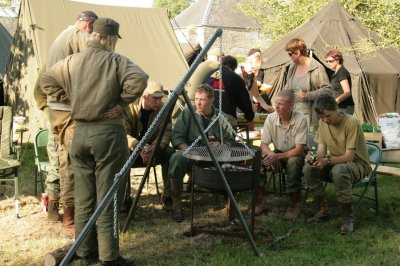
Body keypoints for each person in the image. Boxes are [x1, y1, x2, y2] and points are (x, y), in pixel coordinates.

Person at [41, 17, 148, 265]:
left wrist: (70, 100)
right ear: (110, 39)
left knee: (84, 196)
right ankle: (109, 257)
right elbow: (140, 79)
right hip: (107, 133)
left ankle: (83, 250)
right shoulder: (116, 61)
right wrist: (121, 104)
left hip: (79, 135)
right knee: (109, 195)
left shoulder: (71, 61)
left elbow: (47, 80)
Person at [35, 11, 99, 231]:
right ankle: (70, 219)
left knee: (66, 161)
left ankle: (72, 213)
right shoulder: (77, 36)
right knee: (70, 163)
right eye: (94, 31)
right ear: (89, 25)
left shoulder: (61, 38)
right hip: (65, 111)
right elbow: (94, 61)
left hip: (58, 109)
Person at [303, 94, 371, 234]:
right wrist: (313, 157)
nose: (325, 120)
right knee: (308, 168)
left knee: (339, 170)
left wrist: (327, 161)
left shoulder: (351, 122)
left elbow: (349, 156)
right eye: (321, 117)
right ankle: (323, 209)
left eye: (327, 116)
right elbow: (321, 150)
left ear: (336, 109)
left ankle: (347, 218)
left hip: (357, 164)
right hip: (336, 161)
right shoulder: (323, 123)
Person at [168, 84, 235, 222]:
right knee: (177, 158)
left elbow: (230, 139)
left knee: (232, 160)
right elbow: (176, 136)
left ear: (211, 100)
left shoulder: (220, 117)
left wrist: (221, 145)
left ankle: (228, 195)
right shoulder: (188, 113)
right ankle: (177, 204)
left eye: (202, 99)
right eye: (196, 99)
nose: (198, 102)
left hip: (214, 156)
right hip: (192, 152)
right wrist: (188, 149)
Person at [255, 90, 308, 219]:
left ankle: (294, 204)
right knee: (259, 159)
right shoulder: (271, 118)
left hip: (296, 153)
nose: (277, 107)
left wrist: (277, 157)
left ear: (291, 106)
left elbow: (299, 149)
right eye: (276, 103)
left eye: (281, 104)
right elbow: (264, 144)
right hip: (278, 152)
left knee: (293, 161)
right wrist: (272, 155)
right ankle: (261, 201)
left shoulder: (300, 119)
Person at [124, 81, 174, 211]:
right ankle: (124, 198)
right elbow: (123, 133)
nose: (158, 102)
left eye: (160, 98)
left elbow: (167, 131)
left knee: (170, 154)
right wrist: (138, 146)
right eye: (155, 98)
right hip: (132, 150)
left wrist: (155, 147)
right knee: (119, 155)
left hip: (153, 149)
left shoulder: (164, 109)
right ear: (145, 96)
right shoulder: (130, 108)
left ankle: (169, 196)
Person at [284, 38, 331, 131]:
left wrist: (307, 95)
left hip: (310, 116)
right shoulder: (292, 67)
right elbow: (287, 87)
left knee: (307, 143)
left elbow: (327, 90)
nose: (289, 57)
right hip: (292, 114)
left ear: (297, 52)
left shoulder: (317, 67)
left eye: (290, 54)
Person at [203, 55, 254, 127]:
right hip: (226, 117)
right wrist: (250, 116)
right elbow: (244, 100)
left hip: (206, 115)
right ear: (232, 66)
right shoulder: (235, 78)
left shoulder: (209, 74)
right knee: (227, 136)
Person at [239, 49, 275, 113]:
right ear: (247, 62)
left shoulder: (251, 77)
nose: (253, 71)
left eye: (255, 69)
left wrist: (268, 107)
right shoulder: (237, 73)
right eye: (252, 68)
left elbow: (257, 96)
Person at [325, 49, 354, 115]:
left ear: (337, 60)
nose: (328, 63)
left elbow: (347, 92)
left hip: (344, 107)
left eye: (330, 61)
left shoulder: (342, 72)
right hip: (338, 107)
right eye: (327, 61)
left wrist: (335, 101)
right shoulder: (335, 73)